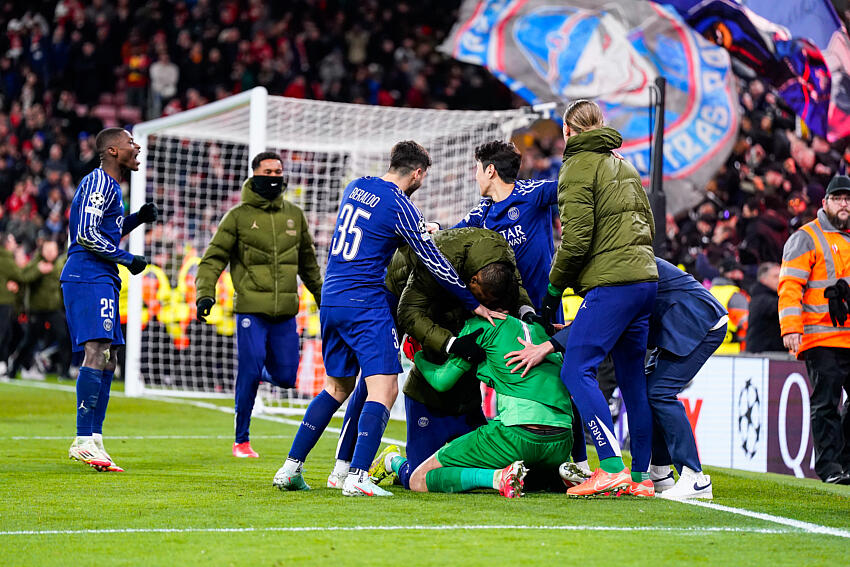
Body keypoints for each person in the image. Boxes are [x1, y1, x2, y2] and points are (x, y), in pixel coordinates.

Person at [273, 141, 502, 497]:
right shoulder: (400, 204)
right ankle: (358, 476)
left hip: (332, 296)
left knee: (336, 388)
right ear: (418, 173)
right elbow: (434, 261)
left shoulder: (357, 186)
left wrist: (421, 227)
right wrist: (471, 302)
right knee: (385, 388)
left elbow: (379, 233)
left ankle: (290, 468)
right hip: (365, 302)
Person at [507, 258, 726, 499]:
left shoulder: (614, 271)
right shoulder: (617, 263)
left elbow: (610, 311)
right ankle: (661, 473)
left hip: (698, 321)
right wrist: (575, 329)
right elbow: (608, 317)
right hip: (688, 319)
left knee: (659, 392)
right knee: (652, 391)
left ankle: (694, 476)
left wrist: (547, 346)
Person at [350, 228, 535, 491]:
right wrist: (451, 343)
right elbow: (408, 312)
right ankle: (380, 461)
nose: (483, 307)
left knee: (466, 350)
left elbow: (514, 289)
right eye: (480, 299)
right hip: (397, 290)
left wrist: (528, 314)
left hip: (463, 392)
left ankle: (466, 414)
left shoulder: (501, 260)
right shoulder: (438, 262)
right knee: (380, 376)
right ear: (471, 282)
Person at [539, 99, 658, 497]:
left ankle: (609, 466)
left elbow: (574, 241)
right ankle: (642, 478)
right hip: (644, 280)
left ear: (567, 130)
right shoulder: (623, 164)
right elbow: (649, 223)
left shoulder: (576, 167)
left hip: (614, 283)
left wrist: (554, 288)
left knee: (576, 370)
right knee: (631, 382)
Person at [376, 262, 573, 498]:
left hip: (517, 434)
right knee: (530, 474)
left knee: (419, 478)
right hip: (562, 440)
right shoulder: (541, 330)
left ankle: (496, 478)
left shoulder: (481, 326)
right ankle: (554, 475)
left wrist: (417, 356)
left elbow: (442, 381)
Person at [195, 151, 323, 458]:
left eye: (278, 171)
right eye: (267, 172)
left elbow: (308, 264)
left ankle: (259, 371)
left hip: (286, 314)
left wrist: (324, 300)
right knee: (249, 370)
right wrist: (205, 293)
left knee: (285, 377)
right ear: (254, 175)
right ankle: (241, 440)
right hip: (251, 309)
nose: (274, 177)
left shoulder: (294, 214)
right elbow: (212, 259)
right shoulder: (237, 217)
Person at [60, 127, 157, 472]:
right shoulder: (99, 181)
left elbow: (105, 228)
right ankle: (83, 439)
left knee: (110, 356)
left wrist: (137, 219)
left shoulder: (113, 186)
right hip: (87, 273)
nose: (137, 146)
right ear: (113, 151)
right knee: (97, 350)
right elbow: (85, 234)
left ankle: (94, 436)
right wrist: (127, 259)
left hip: (102, 277)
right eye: (131, 142)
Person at [779, 174, 850, 484]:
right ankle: (830, 467)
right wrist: (790, 328)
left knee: (831, 403)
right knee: (826, 402)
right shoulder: (806, 236)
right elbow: (790, 286)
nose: (844, 204)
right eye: (838, 198)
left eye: (848, 199)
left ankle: (843, 462)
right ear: (825, 203)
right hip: (819, 337)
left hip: (846, 337)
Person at [9, 240, 71, 380]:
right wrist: (38, 270)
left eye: (53, 250)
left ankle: (64, 372)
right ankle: (13, 368)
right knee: (29, 342)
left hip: (54, 310)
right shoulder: (35, 263)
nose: (50, 253)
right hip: (37, 311)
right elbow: (23, 277)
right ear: (42, 251)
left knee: (64, 338)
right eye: (47, 250)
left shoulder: (59, 265)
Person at [745, 262, 785, 353]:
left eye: (782, 275)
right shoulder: (761, 299)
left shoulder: (768, 296)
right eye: (775, 276)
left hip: (769, 354)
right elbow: (779, 306)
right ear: (763, 279)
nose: (780, 279)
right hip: (763, 355)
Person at [0, 233, 23, 378]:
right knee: (5, 334)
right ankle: (3, 363)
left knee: (12, 333)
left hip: (6, 302)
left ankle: (5, 362)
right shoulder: (7, 259)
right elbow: (21, 276)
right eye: (13, 241)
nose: (15, 243)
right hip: (5, 302)